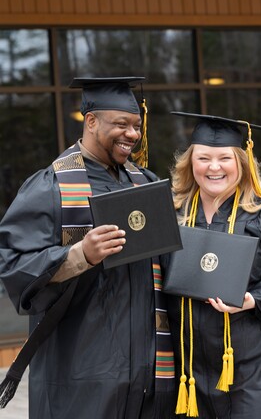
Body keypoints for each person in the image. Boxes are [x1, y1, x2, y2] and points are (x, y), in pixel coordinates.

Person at [0, 77, 176, 419]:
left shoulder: (146, 182)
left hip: (149, 371)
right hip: (83, 370)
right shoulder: (51, 186)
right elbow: (12, 262)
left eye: (136, 126)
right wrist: (81, 255)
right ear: (91, 121)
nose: (132, 134)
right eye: (121, 124)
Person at [161, 112, 261, 419]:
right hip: (190, 366)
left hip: (255, 362)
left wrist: (252, 299)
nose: (214, 167)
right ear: (190, 162)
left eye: (225, 158)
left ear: (242, 161)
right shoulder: (172, 210)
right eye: (203, 157)